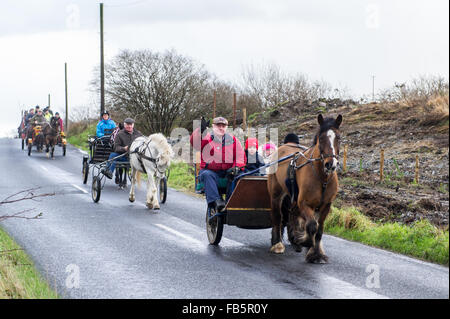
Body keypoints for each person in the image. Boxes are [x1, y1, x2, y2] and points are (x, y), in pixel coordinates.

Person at [190, 116, 246, 211]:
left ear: (226, 127)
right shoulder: (206, 138)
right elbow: (195, 142)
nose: (220, 128)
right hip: (211, 172)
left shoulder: (233, 140)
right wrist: (199, 131)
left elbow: (240, 156)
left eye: (223, 126)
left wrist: (236, 167)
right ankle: (217, 202)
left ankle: (231, 203)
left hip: (228, 172)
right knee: (207, 174)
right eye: (218, 125)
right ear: (213, 126)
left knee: (239, 176)